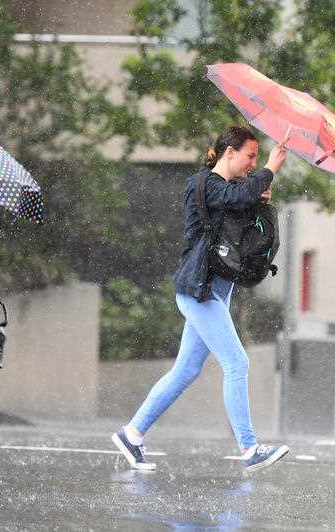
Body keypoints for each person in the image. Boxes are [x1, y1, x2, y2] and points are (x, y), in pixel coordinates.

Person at [111, 126, 290, 474]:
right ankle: (250, 448)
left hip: (214, 292)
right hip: (199, 290)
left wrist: (262, 196)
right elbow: (233, 199)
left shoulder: (230, 189)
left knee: (185, 370)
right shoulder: (204, 183)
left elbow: (243, 211)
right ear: (229, 153)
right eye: (250, 156)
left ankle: (131, 433)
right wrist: (271, 167)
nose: (254, 163)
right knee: (237, 364)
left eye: (257, 157)